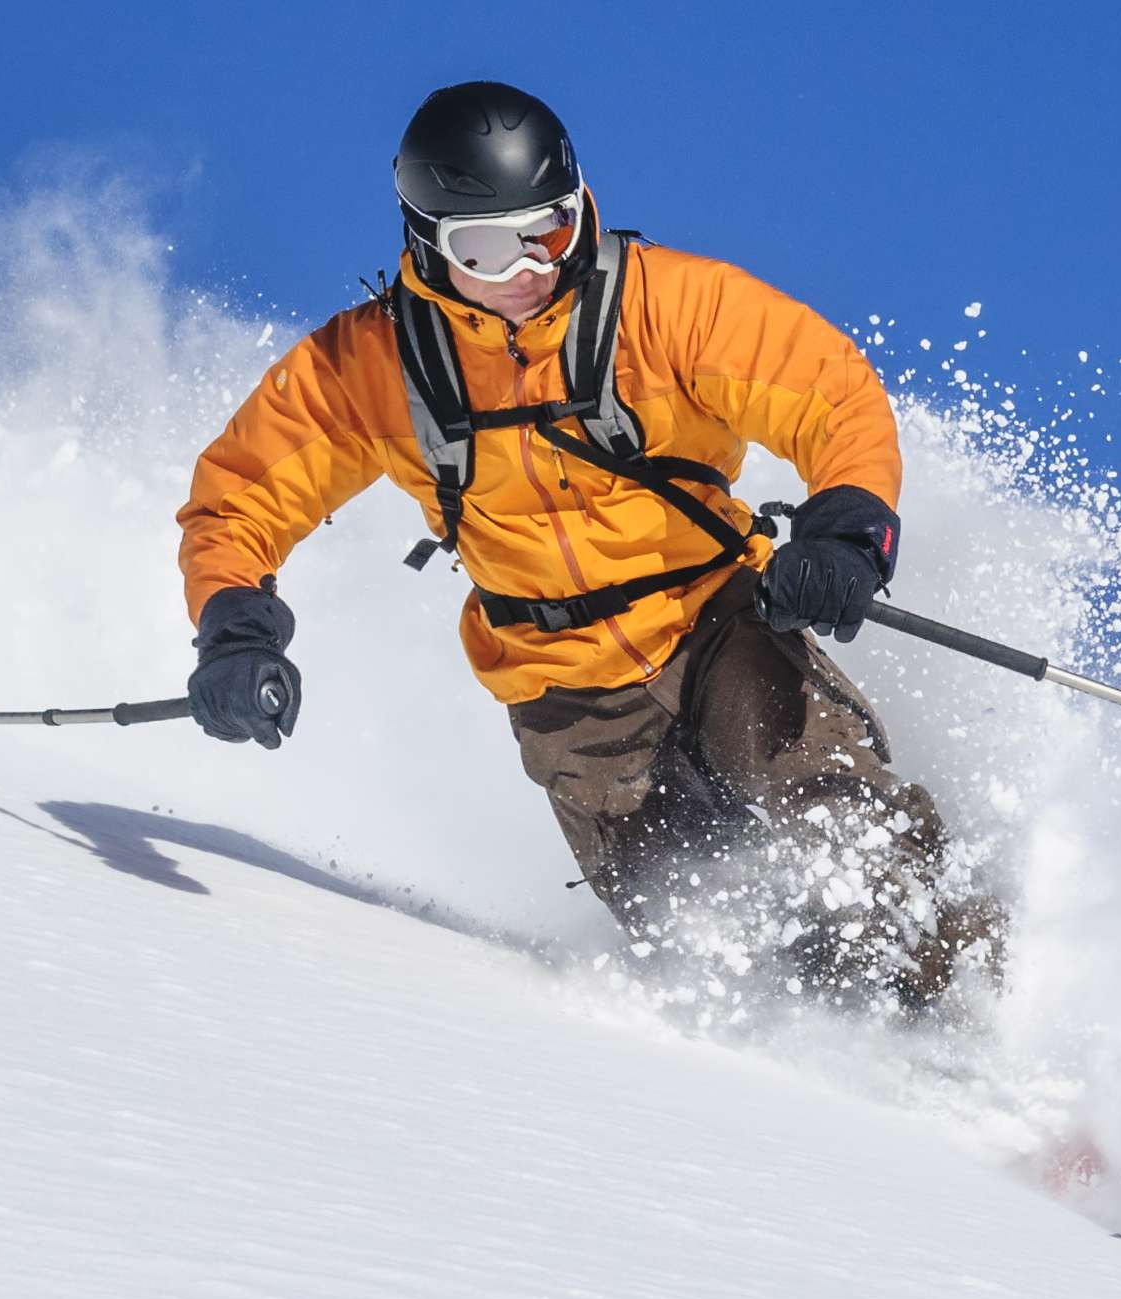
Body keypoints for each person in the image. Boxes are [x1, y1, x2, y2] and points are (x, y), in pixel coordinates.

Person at [176, 82, 999, 1013]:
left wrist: (847, 529)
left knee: (817, 795)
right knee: (683, 906)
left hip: (713, 619)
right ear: (424, 242)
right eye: (484, 248)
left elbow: (831, 393)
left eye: (551, 233)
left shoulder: (666, 305)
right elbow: (236, 499)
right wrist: (235, 631)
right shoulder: (368, 370)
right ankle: (813, 1058)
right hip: (559, 682)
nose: (527, 268)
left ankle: (968, 1008)